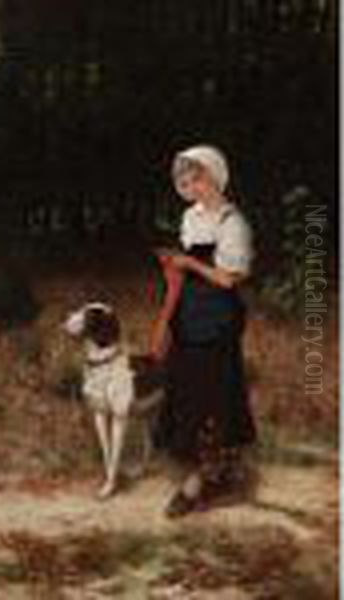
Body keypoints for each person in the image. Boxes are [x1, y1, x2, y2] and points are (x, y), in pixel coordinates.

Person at [149, 144, 257, 518]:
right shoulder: (191, 217)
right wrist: (174, 272)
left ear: (213, 178)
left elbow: (228, 279)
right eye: (184, 181)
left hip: (218, 320)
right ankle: (199, 475)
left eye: (195, 178)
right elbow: (187, 266)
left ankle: (202, 482)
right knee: (185, 395)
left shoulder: (233, 223)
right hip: (190, 315)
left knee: (214, 395)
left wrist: (189, 264)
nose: (189, 186)